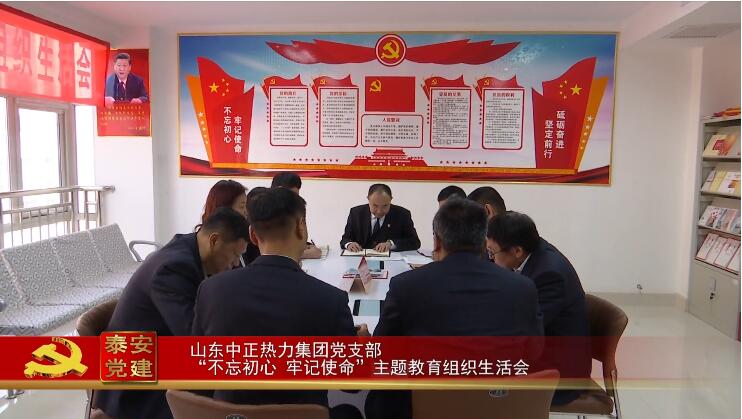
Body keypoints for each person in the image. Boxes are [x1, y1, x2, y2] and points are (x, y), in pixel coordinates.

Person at [192, 188, 365, 417]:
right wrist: (360, 347)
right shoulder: (330, 300)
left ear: (253, 235)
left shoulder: (211, 290)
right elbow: (351, 384)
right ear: (301, 227)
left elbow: (196, 366)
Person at [365, 199, 543, 419]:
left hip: (424, 407)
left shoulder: (407, 286)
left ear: (437, 242)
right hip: (499, 408)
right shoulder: (522, 288)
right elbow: (534, 352)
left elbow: (382, 354)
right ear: (483, 241)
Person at [96, 208, 249, 419]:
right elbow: (191, 337)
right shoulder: (173, 268)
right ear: (214, 240)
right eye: (235, 255)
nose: (235, 264)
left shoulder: (189, 248)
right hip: (135, 384)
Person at [486, 211, 591, 406]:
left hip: (557, 371)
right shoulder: (530, 253)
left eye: (492, 253)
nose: (490, 259)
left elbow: (524, 330)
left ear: (517, 251)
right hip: (539, 351)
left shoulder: (550, 274)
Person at [340, 184, 421, 252]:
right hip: (360, 259)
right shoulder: (356, 213)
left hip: (391, 261)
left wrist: (391, 244)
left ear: (390, 200)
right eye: (375, 205)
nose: (379, 211)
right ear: (368, 199)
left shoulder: (402, 214)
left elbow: (415, 242)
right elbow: (345, 239)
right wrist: (349, 244)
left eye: (385, 206)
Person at [199, 180, 260, 266]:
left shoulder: (244, 240)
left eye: (246, 206)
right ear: (224, 209)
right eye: (241, 207)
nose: (246, 212)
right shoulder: (209, 246)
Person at [271, 172, 322, 259]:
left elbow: (295, 238)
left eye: (296, 196)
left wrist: (307, 246)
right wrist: (304, 254)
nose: (294, 201)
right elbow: (269, 251)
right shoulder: (266, 213)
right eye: (291, 196)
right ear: (279, 190)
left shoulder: (293, 209)